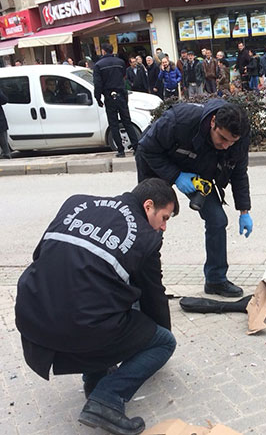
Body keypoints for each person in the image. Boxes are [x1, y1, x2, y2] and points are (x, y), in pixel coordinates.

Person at [15, 178, 179, 435]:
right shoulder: (147, 237)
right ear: (148, 206)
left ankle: (95, 378)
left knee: (99, 298)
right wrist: (157, 335)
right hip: (78, 327)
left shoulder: (75, 203)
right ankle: (107, 398)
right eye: (165, 218)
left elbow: (41, 255)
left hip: (32, 317)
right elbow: (153, 294)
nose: (164, 227)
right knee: (163, 342)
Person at [135, 100, 253, 298]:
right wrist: (176, 176)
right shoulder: (179, 120)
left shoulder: (239, 137)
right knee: (152, 222)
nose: (225, 146)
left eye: (231, 142)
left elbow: (239, 173)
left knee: (217, 220)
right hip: (157, 161)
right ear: (213, 122)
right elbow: (146, 149)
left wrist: (244, 211)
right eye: (222, 138)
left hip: (199, 165)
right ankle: (145, 284)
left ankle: (216, 280)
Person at [93, 42, 140, 158]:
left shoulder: (98, 65)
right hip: (121, 94)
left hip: (109, 96)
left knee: (113, 124)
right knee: (127, 122)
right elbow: (123, 76)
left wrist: (98, 97)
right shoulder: (120, 62)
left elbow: (98, 83)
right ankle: (136, 147)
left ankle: (120, 150)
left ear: (103, 51)